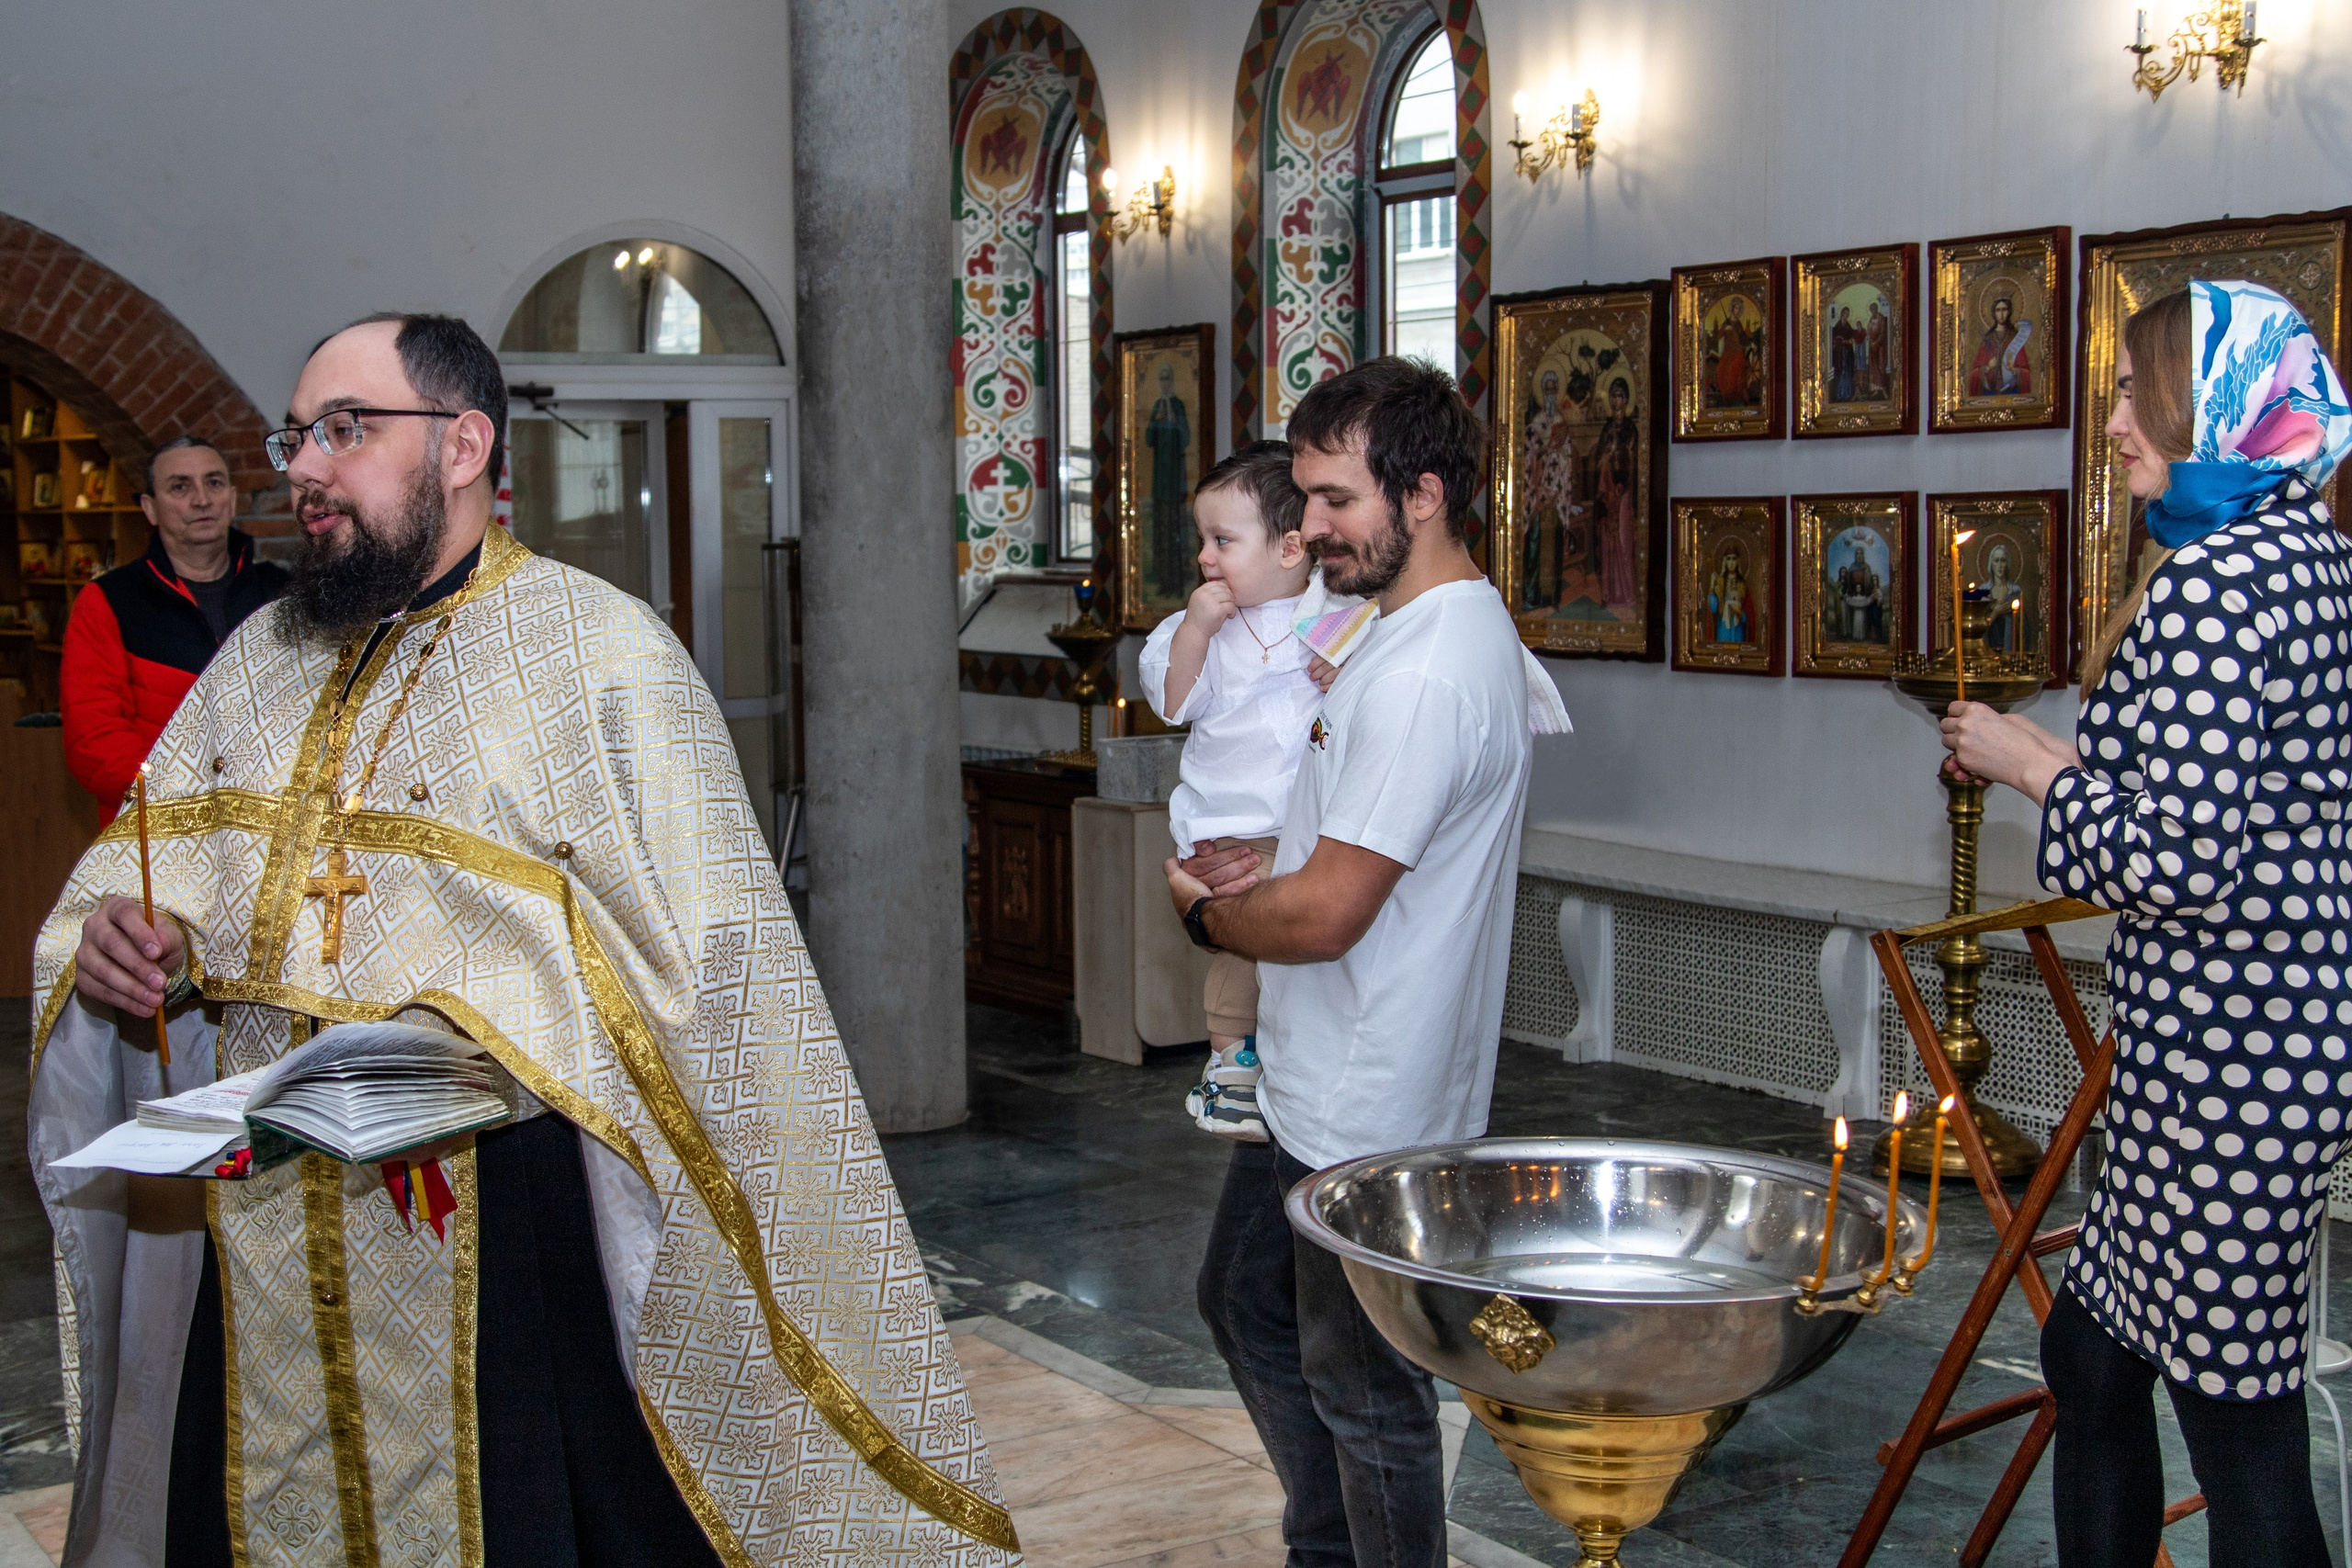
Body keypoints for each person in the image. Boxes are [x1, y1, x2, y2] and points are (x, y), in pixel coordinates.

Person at [31, 315, 1016, 1568]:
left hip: (504, 1220)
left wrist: (487, 1016)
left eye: (344, 429)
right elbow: (151, 859)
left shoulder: (597, 652)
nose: (304, 470)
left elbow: (712, 971)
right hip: (271, 1215)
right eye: (296, 436)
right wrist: (131, 934)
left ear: (461, 443)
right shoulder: (262, 658)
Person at [1939, 280, 2352, 1567]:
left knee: (2242, 1433)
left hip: (2234, 1067)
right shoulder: (2304, 550)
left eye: (2135, 391)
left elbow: (2171, 854)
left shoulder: (2219, 583)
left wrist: (2027, 767)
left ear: (2215, 405)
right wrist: (2051, 752)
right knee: (2094, 1352)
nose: (2113, 418)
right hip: (2248, 1052)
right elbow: (2219, 794)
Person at [1169, 356, 1536, 1568]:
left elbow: (1330, 910)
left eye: (1335, 500)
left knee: (1369, 1390)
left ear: (1422, 493)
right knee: (1247, 1301)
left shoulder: (1432, 665)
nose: (1311, 524)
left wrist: (1210, 916)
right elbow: (1345, 823)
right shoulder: (1401, 626)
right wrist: (1257, 858)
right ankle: (1326, 1542)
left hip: (1370, 1095)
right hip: (1318, 1070)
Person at [1138, 441, 1321, 1141]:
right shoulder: (1202, 632)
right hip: (1232, 825)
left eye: (1224, 540)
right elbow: (1176, 703)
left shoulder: (1331, 615)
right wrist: (1194, 630)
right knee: (1244, 940)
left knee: (1294, 952)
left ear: (1290, 548)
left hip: (1306, 825)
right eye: (1203, 540)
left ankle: (1272, 1063)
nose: (1206, 556)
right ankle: (1226, 1064)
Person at [60, 436, 288, 823]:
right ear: (150, 508)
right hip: (156, 830)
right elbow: (94, 742)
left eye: (214, 483)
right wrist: (192, 800)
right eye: (180, 486)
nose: (201, 499)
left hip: (271, 822)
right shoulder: (107, 600)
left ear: (232, 499)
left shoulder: (284, 594)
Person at [1146, 359, 1194, 603]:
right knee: (1161, 531)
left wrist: (1174, 420)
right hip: (1159, 482)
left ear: (1172, 382)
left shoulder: (1177, 405)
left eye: (1167, 379)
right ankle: (1164, 580)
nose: (1164, 383)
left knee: (1175, 530)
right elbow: (1148, 439)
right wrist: (1156, 420)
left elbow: (1185, 438)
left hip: (1175, 481)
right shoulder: (1157, 406)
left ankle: (1176, 582)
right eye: (1161, 379)